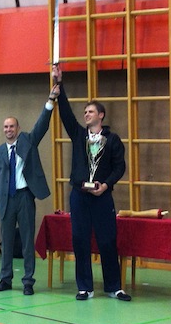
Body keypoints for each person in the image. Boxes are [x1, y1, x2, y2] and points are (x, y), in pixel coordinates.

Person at [53, 66, 131, 301]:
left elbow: (119, 167)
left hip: (102, 196)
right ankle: (85, 287)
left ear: (101, 115)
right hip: (79, 195)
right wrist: (60, 84)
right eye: (85, 112)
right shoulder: (79, 135)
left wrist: (105, 185)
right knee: (80, 240)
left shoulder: (112, 140)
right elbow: (66, 114)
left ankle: (114, 286)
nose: (86, 115)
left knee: (107, 240)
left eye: (90, 112)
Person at [0, 89, 55, 296]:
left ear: (18, 128)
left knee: (26, 241)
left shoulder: (27, 141)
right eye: (6, 127)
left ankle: (28, 281)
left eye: (12, 126)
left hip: (25, 197)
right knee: (6, 242)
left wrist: (50, 101)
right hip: (6, 200)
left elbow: (42, 126)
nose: (9, 129)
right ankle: (5, 279)